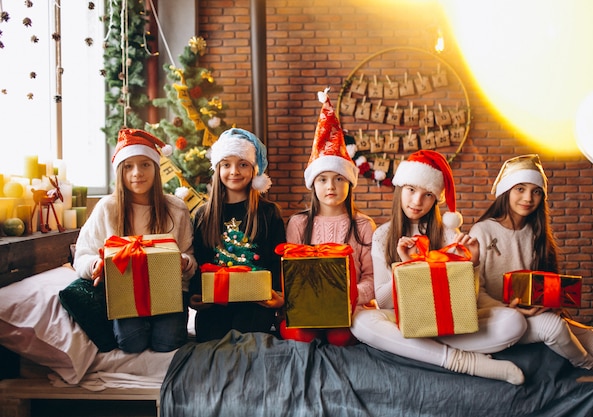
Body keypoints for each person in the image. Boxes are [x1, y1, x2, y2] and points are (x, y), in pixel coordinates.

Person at [350, 150, 528, 385]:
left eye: (427, 195)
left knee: (515, 322)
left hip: (446, 321)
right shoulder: (383, 234)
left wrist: (472, 264)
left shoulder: (447, 233)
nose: (416, 201)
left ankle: (421, 349)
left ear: (436, 200)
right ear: (400, 188)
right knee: (359, 322)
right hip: (403, 320)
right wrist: (406, 266)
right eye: (411, 190)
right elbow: (383, 302)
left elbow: (465, 302)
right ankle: (462, 361)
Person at [469, 154, 593, 405]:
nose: (528, 198)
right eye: (520, 189)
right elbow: (477, 291)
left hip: (541, 314)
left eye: (536, 191)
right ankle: (587, 366)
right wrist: (509, 309)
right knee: (555, 329)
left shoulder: (537, 233)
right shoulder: (483, 231)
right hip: (502, 317)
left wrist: (549, 302)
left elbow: (545, 286)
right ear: (506, 190)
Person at [73, 128, 197, 353]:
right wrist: (95, 265)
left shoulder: (176, 208)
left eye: (145, 164)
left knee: (167, 343)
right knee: (131, 343)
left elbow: (190, 258)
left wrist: (185, 262)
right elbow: (82, 255)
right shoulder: (107, 208)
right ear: (119, 171)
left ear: (156, 168)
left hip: (168, 294)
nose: (137, 173)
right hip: (125, 296)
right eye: (129, 166)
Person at [280, 89, 376, 346]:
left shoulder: (363, 226)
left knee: (342, 336)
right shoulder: (299, 224)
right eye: (322, 179)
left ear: (350, 183)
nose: (330, 186)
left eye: (338, 179)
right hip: (308, 308)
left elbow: (372, 277)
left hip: (348, 309)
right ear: (313, 184)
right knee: (299, 335)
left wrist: (351, 294)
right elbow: (289, 274)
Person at [188, 128, 286, 343]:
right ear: (217, 169)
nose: (234, 171)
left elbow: (278, 258)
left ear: (254, 170)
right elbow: (197, 258)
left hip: (255, 302)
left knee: (246, 341)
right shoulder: (204, 215)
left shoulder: (269, 213)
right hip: (215, 303)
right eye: (226, 164)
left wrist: (280, 295)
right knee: (212, 341)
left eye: (242, 164)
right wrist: (195, 294)